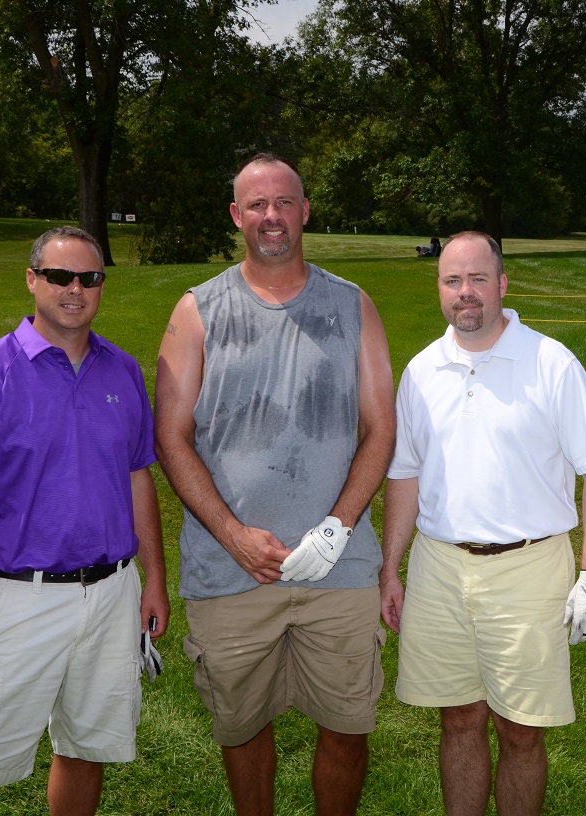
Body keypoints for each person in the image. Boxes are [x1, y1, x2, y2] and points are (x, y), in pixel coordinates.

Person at [154, 152, 396, 816]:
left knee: (347, 729)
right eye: (256, 205)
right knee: (242, 728)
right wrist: (231, 536)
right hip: (231, 570)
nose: (271, 217)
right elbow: (169, 438)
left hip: (338, 571)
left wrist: (337, 524)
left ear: (305, 212)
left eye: (284, 203)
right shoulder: (197, 311)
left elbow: (381, 428)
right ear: (237, 215)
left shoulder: (352, 305)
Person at [0, 226, 169, 816]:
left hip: (112, 594)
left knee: (85, 749)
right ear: (33, 280)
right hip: (20, 600)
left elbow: (137, 478)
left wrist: (153, 578)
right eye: (59, 276)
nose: (75, 289)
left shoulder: (123, 372)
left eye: (90, 277)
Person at [380, 231, 586, 816]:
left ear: (503, 284)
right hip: (439, 567)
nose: (467, 293)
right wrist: (391, 569)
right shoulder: (421, 371)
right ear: (439, 289)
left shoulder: (551, 362)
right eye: (453, 281)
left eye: (479, 279)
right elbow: (405, 477)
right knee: (458, 720)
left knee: (521, 730)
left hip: (529, 566)